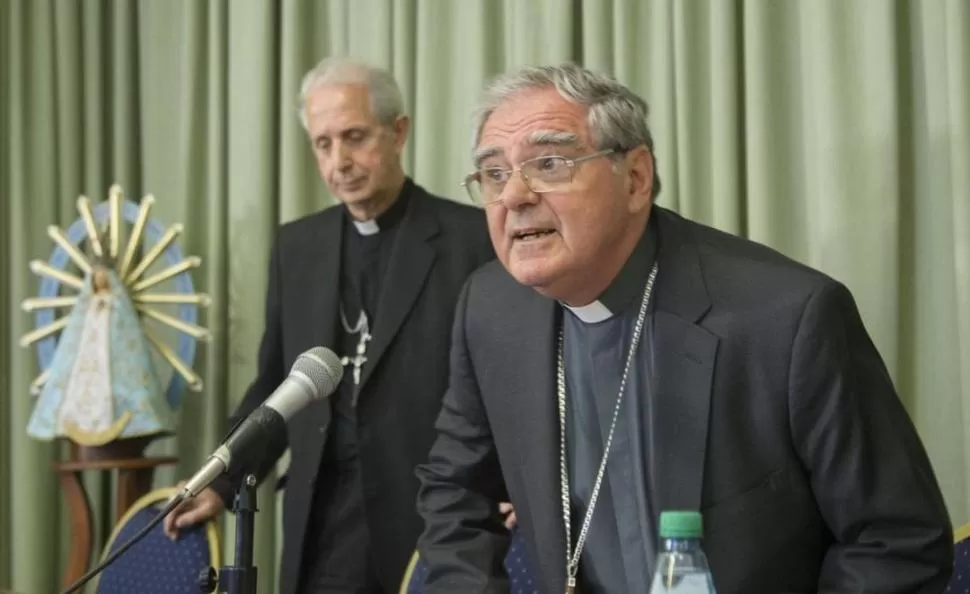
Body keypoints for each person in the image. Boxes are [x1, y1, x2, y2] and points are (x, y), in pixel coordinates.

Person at [414, 63, 954, 593]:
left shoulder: (786, 318)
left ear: (636, 178)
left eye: (550, 162)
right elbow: (455, 490)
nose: (513, 197)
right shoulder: (491, 309)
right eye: (493, 173)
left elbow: (895, 541)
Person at [163, 57, 495, 594]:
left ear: (399, 132)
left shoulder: (471, 240)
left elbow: (506, 388)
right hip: (325, 522)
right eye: (323, 143)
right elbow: (274, 388)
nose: (339, 161)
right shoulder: (298, 247)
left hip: (434, 520)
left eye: (355, 136)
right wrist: (220, 484)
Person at [27, 260, 173, 446]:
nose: (100, 281)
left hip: (111, 344)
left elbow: (124, 322)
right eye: (97, 278)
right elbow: (80, 324)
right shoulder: (89, 303)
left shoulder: (117, 301)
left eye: (103, 277)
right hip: (90, 344)